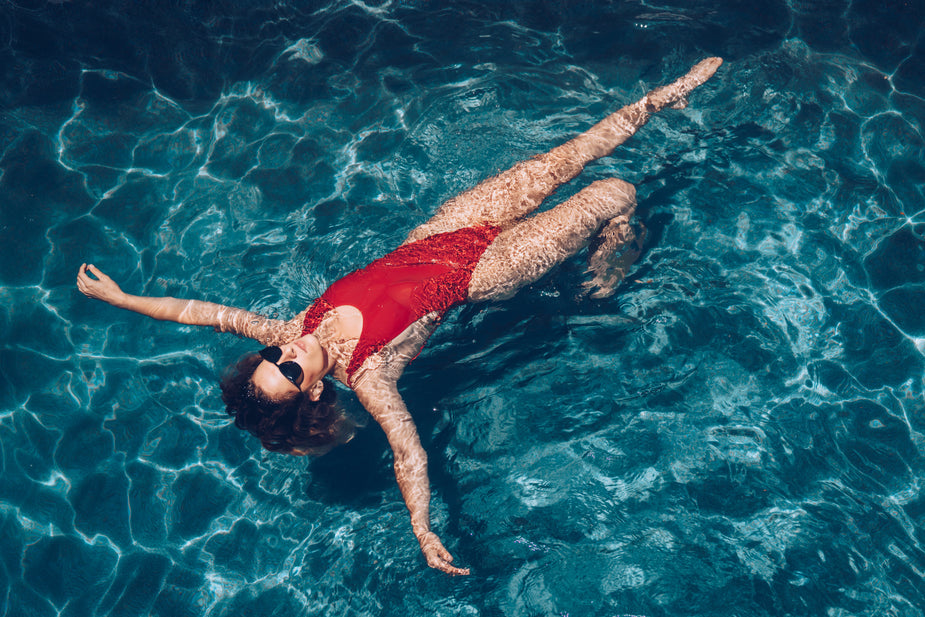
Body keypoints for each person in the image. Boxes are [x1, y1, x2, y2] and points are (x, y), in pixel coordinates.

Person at [77, 57, 723, 575]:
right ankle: (611, 260)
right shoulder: (369, 376)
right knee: (616, 193)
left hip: (442, 231)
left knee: (562, 159)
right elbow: (408, 455)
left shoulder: (289, 330)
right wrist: (422, 527)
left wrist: (124, 299)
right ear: (312, 390)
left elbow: (204, 312)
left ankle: (656, 101)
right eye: (290, 371)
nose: (286, 354)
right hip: (484, 270)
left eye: (273, 360)